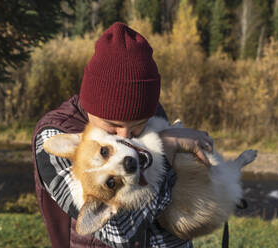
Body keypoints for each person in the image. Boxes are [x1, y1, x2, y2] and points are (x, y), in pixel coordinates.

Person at [32, 22, 213, 248]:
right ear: (91, 104)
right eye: (112, 124)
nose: (126, 136)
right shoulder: (54, 135)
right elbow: (116, 232)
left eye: (138, 124)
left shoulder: (154, 114)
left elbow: (176, 191)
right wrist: (165, 148)